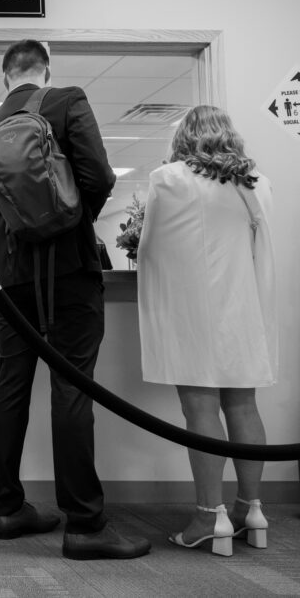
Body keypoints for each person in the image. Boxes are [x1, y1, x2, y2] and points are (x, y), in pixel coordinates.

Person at [0, 39, 150, 560]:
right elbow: (99, 177)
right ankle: (85, 525)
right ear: (46, 70)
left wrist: (16, 224)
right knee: (71, 386)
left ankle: (8, 509)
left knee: (11, 384)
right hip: (69, 270)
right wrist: (65, 217)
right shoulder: (67, 100)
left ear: (6, 78)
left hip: (12, 279)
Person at [137, 105, 276, 556]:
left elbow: (151, 245)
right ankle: (250, 509)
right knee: (244, 404)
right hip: (242, 305)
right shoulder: (255, 182)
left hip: (193, 309)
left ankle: (207, 515)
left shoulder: (169, 178)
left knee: (200, 408)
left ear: (184, 137)